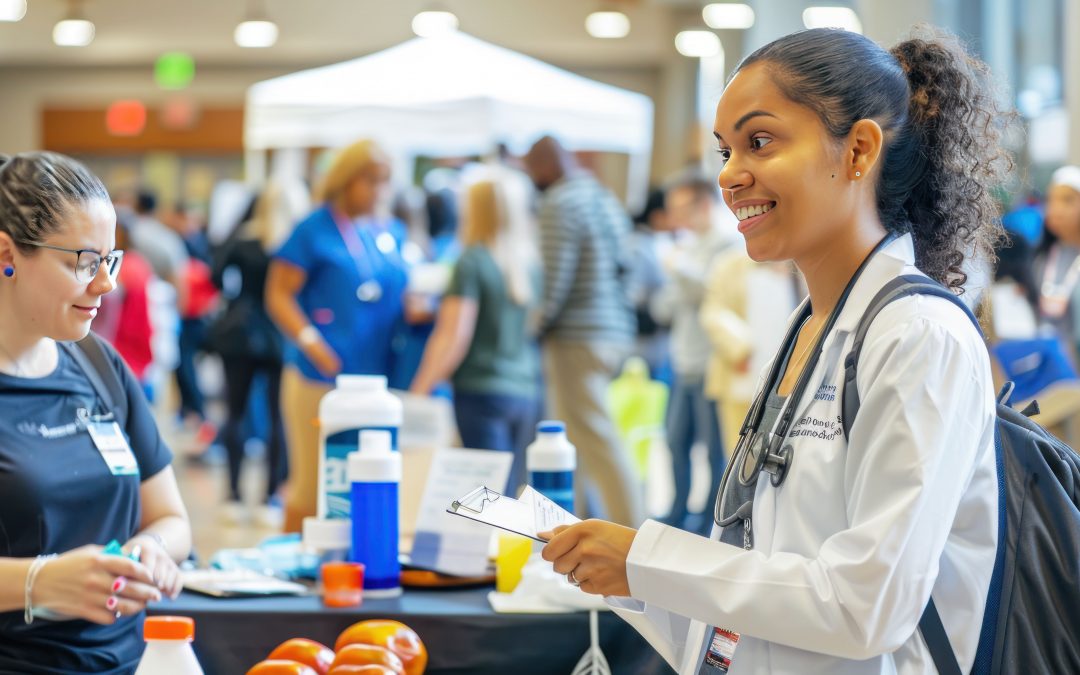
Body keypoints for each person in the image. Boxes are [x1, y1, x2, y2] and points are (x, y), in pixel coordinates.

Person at [542, 26, 1007, 674]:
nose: (729, 175)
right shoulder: (809, 326)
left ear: (859, 150)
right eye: (725, 149)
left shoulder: (919, 336)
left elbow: (866, 606)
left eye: (758, 141)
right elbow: (766, 583)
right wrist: (629, 579)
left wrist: (645, 559)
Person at [0, 152, 192, 673]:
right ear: (6, 254)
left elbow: (171, 519)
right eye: (84, 262)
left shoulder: (96, 363)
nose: (106, 284)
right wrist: (38, 581)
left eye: (110, 261)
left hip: (130, 660)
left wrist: (151, 549)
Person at [265, 139, 408, 533]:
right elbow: (278, 293)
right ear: (346, 179)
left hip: (377, 382)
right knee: (312, 490)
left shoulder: (389, 231)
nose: (379, 191)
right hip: (320, 379)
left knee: (368, 489)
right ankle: (289, 576)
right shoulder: (314, 229)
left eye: (385, 181)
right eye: (370, 181)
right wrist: (310, 340)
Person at [524, 135, 643, 526]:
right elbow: (628, 265)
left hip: (577, 334)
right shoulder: (602, 197)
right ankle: (579, 528)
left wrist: (535, 324)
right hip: (612, 330)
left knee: (595, 439)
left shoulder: (559, 202)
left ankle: (632, 530)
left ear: (544, 166)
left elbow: (554, 278)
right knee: (581, 442)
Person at [410, 172, 541, 493]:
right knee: (511, 490)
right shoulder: (529, 264)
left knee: (491, 494)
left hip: (481, 391)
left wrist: (420, 390)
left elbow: (454, 335)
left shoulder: (470, 262)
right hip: (524, 390)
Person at [656, 174, 736, 533]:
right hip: (682, 360)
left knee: (713, 450)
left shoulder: (728, 245)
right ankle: (676, 513)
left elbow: (711, 293)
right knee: (675, 442)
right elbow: (665, 305)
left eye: (679, 208)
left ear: (703, 204)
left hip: (711, 363)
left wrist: (679, 271)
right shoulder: (685, 248)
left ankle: (707, 522)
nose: (674, 218)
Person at [210, 184, 291, 528]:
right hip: (278, 333)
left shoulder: (242, 241)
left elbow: (215, 275)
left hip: (240, 332)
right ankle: (271, 496)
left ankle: (233, 494)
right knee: (278, 417)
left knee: (235, 412)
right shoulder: (292, 245)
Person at [1036, 165, 1080, 357]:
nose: (1056, 209)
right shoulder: (1042, 257)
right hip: (1048, 369)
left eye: (1067, 200)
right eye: (1051, 200)